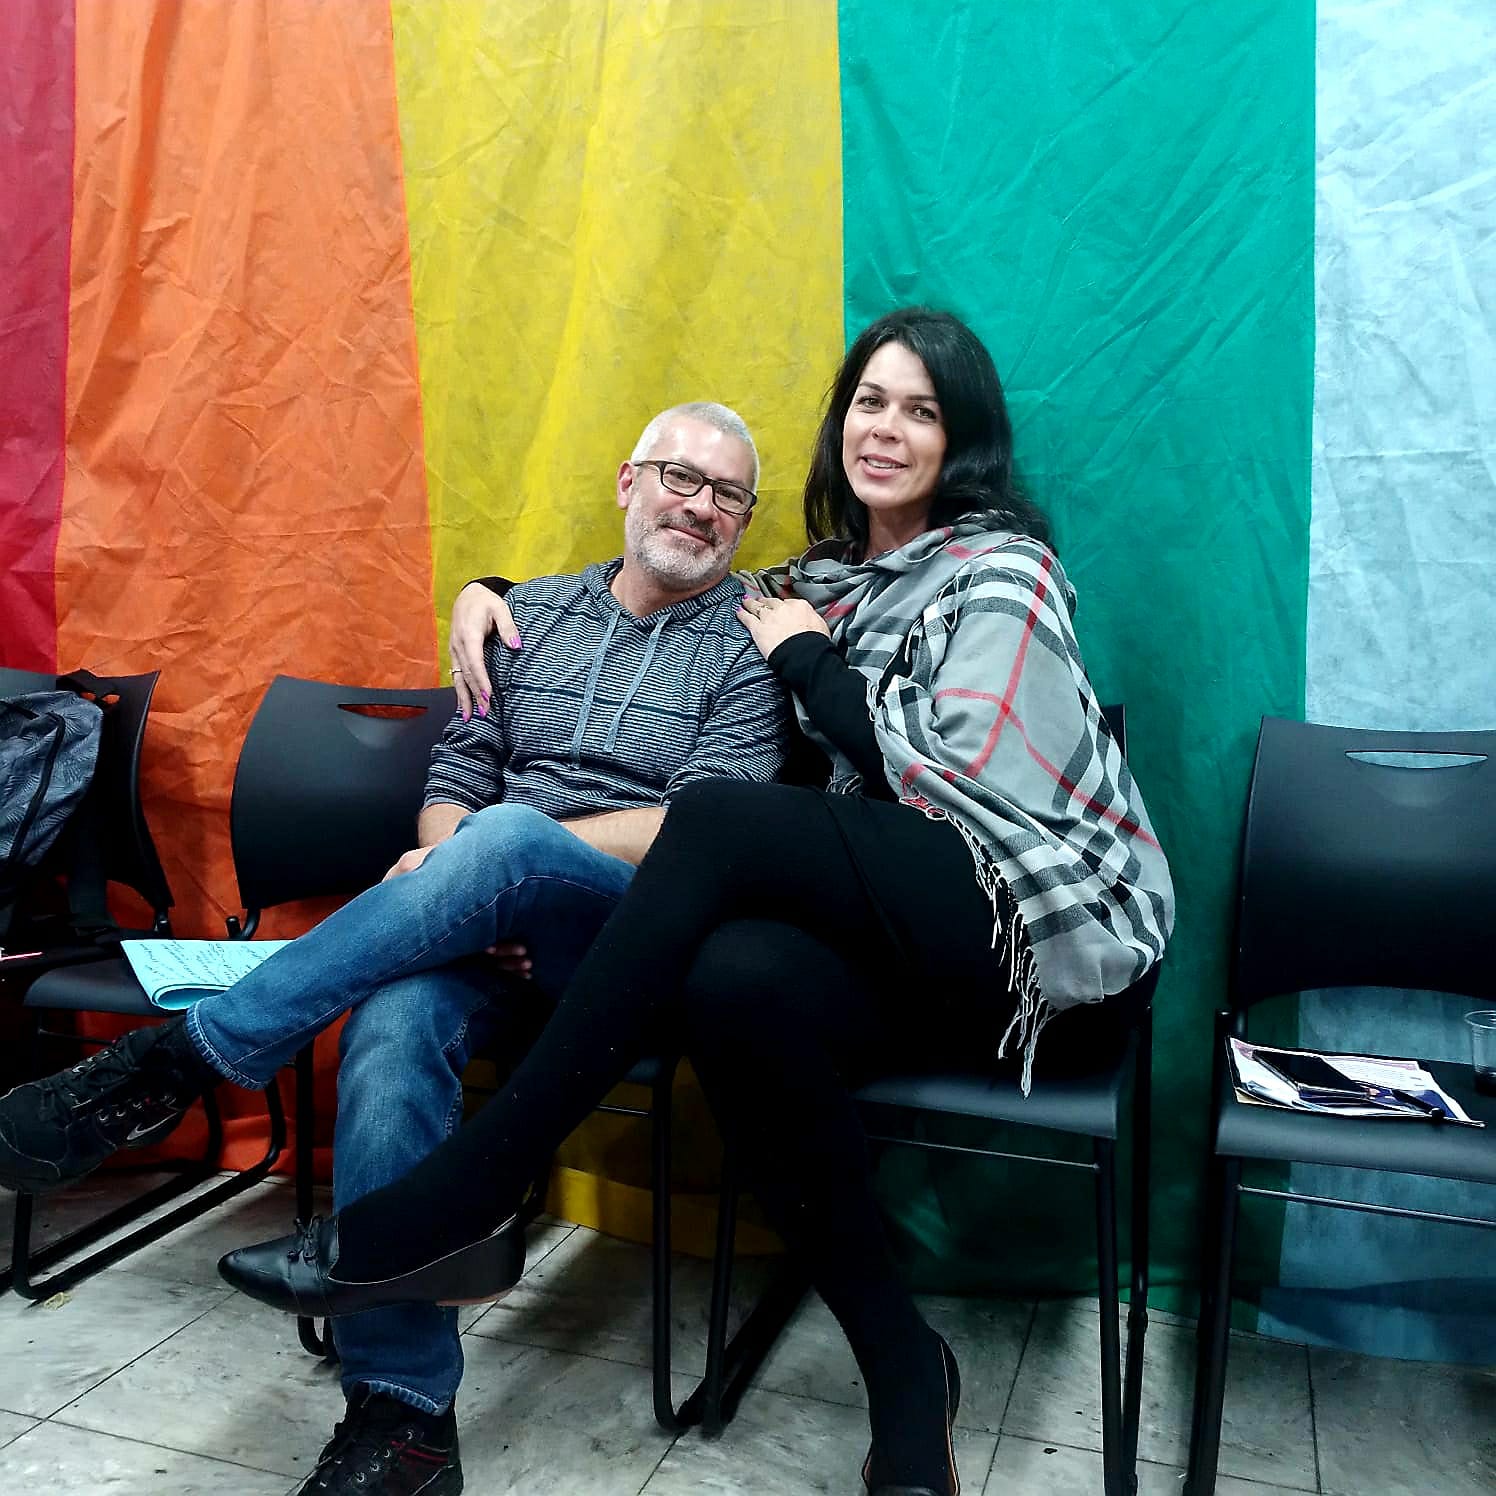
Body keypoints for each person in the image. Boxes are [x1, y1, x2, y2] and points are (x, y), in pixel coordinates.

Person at [218, 308, 1175, 1496]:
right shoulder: (816, 581)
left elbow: (956, 786)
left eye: (920, 410)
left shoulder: (1001, 571)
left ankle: (468, 1185)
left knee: (716, 815)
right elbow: (652, 577)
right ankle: (904, 1369)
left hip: (1032, 931)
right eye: (869, 401)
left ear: (961, 440)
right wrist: (486, 590)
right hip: (889, 948)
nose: (885, 428)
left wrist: (808, 663)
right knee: (734, 984)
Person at [0, 401, 790, 1496]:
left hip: (626, 944)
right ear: (627, 480)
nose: (698, 507)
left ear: (743, 520)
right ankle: (403, 1418)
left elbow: (701, 826)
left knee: (506, 838)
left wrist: (499, 863)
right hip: (485, 915)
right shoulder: (527, 614)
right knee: (395, 1020)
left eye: (727, 495)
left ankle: (180, 1059)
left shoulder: (749, 648)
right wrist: (463, 879)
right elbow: (456, 777)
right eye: (679, 477)